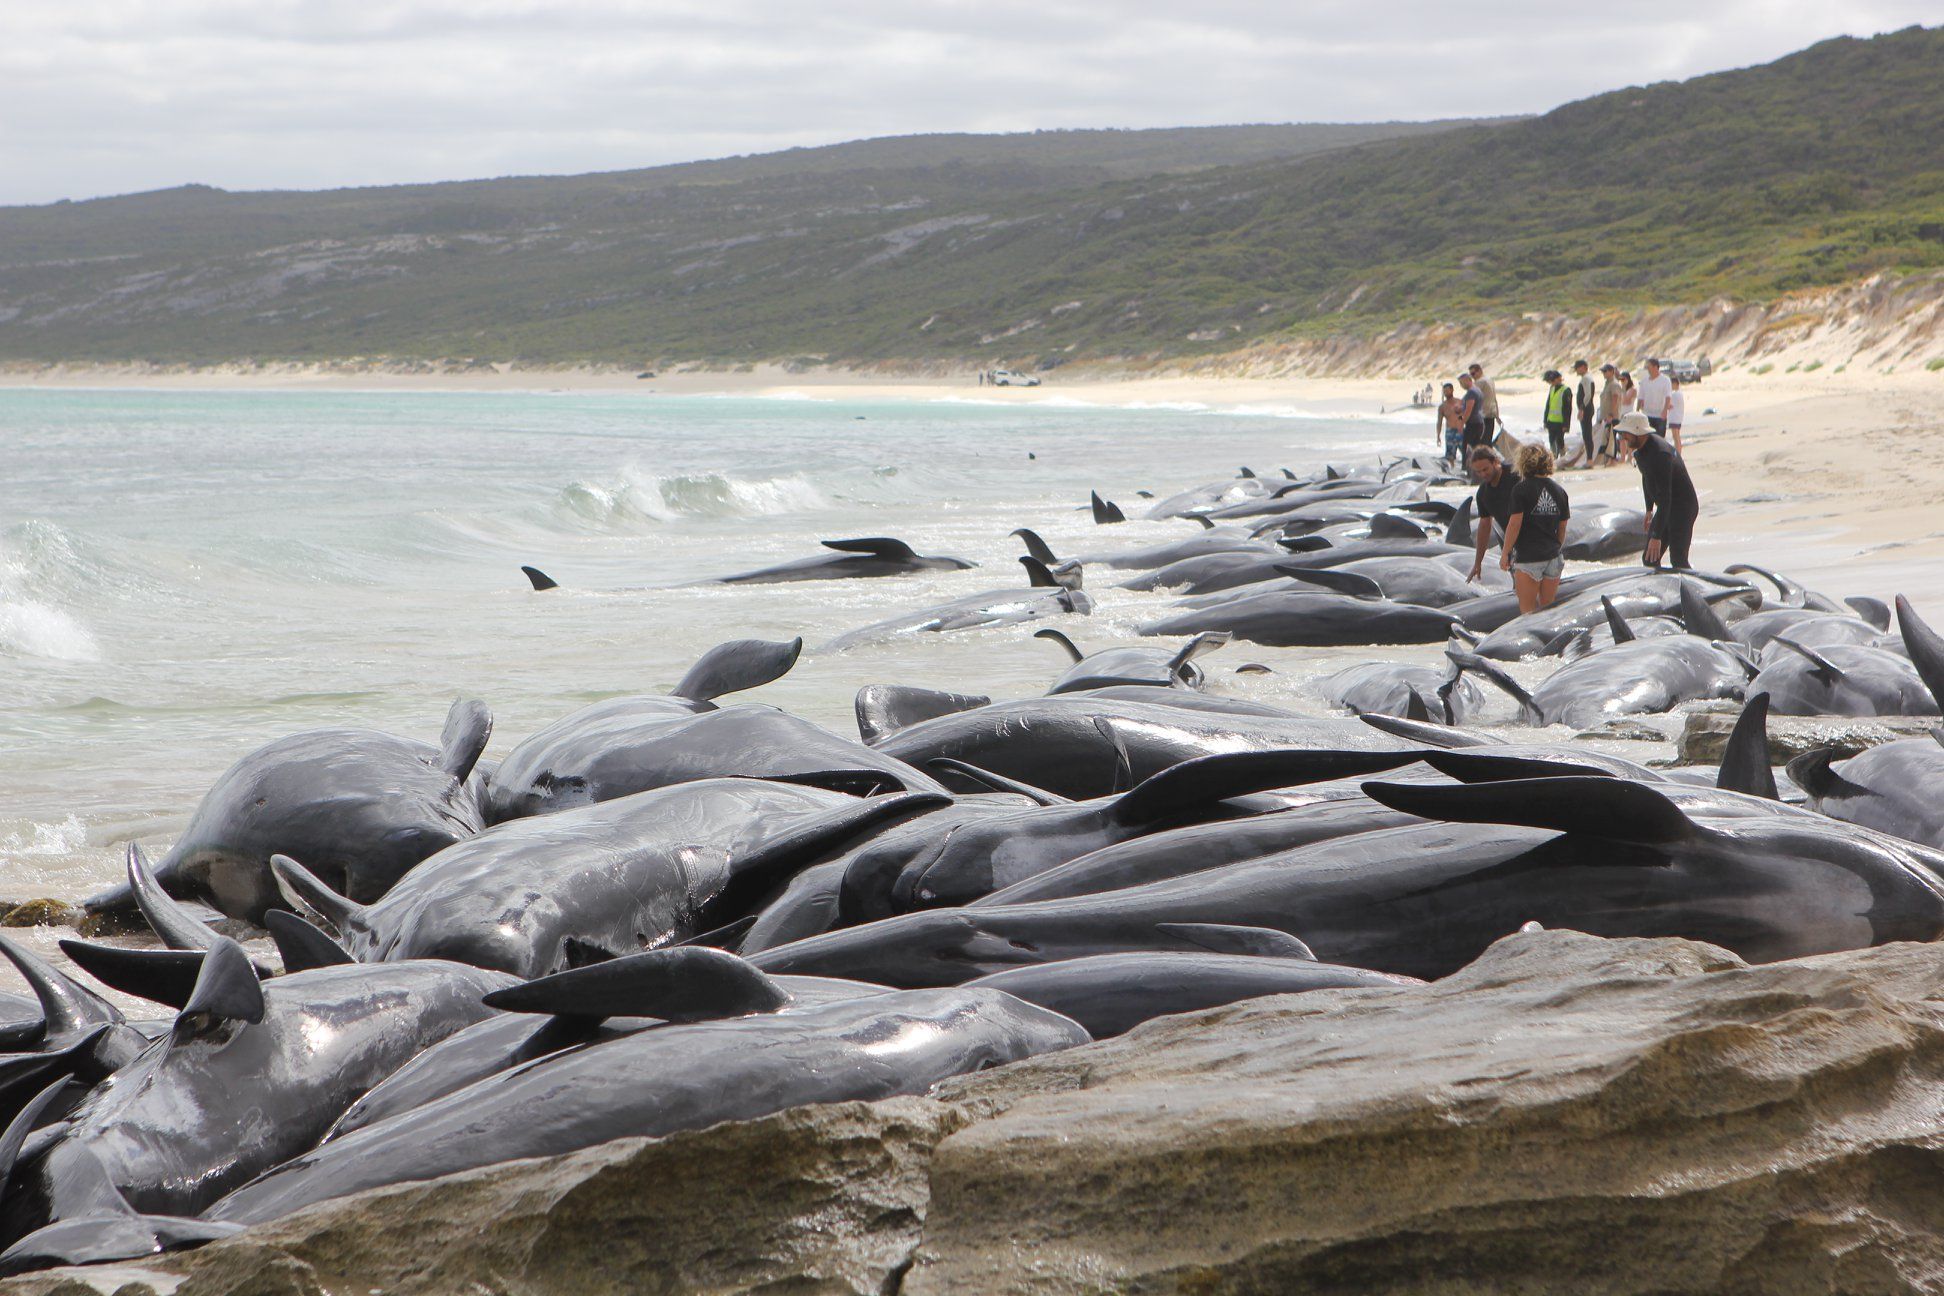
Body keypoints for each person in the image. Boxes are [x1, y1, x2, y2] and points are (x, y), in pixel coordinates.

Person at [1615, 410, 1699, 569]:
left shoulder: (1661, 455)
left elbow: (1666, 497)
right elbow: (1646, 478)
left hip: (1682, 508)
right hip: (1666, 507)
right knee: (1649, 559)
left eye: (1626, 434)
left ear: (1637, 432)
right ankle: (1663, 591)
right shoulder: (1640, 452)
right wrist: (1649, 509)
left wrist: (1656, 536)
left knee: (1678, 561)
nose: (1623, 438)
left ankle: (1693, 589)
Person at [1500, 442, 1571, 613]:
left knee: (1528, 612)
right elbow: (1562, 528)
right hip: (1553, 557)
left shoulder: (1521, 490)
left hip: (1529, 557)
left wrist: (1505, 553)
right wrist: (1555, 549)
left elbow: (1515, 523)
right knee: (1547, 610)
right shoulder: (1560, 491)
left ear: (1523, 463)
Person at [1465, 445, 1521, 583]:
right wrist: (1478, 562)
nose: (1483, 474)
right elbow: (1484, 526)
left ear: (1496, 462)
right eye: (1478, 472)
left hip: (1535, 538)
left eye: (1485, 469)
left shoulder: (1516, 476)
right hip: (1512, 545)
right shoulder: (1483, 493)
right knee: (1519, 587)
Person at [1636, 357, 1673, 435]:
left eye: (1649, 367)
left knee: (1659, 439)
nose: (1648, 369)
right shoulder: (1644, 381)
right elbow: (1640, 397)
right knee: (1648, 439)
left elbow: (1668, 396)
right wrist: (1637, 411)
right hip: (1647, 414)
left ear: (1655, 367)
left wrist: (1665, 411)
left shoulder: (1665, 380)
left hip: (1660, 415)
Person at [1540, 369, 1572, 458]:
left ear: (1559, 379)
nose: (1551, 383)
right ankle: (1553, 458)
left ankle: (1562, 458)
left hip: (1560, 422)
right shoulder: (1552, 389)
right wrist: (1545, 420)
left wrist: (1566, 425)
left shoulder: (1566, 390)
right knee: (1551, 440)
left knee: (1560, 441)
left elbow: (1568, 409)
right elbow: (1548, 405)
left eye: (1552, 381)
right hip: (1551, 421)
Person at [1597, 362, 1623, 464]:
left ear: (1612, 372)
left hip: (1613, 416)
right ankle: (1608, 459)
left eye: (1605, 371)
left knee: (1612, 437)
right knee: (1608, 437)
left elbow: (1615, 399)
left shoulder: (1614, 384)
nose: (1603, 373)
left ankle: (1613, 459)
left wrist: (1611, 414)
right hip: (1606, 416)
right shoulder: (1607, 383)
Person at [1467, 363, 1500, 439]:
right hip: (1491, 414)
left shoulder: (1479, 382)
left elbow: (1470, 399)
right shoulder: (1490, 380)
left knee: (1480, 442)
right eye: (1470, 375)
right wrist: (1497, 415)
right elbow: (1494, 398)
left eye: (1473, 374)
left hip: (1482, 416)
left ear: (1480, 371)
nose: (1472, 377)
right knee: (1487, 440)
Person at [1573, 360, 1597, 466]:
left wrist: (1582, 409)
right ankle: (1589, 459)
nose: (1576, 370)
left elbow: (1588, 394)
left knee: (1587, 434)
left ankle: (1590, 460)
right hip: (1586, 408)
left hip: (1586, 409)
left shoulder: (1587, 378)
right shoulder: (1585, 378)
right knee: (1586, 434)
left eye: (1577, 367)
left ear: (1583, 367)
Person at [1436, 382, 1465, 466]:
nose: (1445, 393)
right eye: (1444, 391)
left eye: (1447, 391)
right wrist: (1438, 435)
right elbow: (1439, 422)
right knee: (1450, 455)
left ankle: (1467, 469)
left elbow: (1466, 415)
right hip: (1450, 431)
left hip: (1460, 430)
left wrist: (1461, 421)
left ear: (1452, 390)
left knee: (1466, 452)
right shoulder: (1442, 406)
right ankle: (1452, 471)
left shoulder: (1460, 402)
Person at [1457, 372, 1486, 452]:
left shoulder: (1471, 392)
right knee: (1475, 448)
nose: (1461, 385)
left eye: (1461, 382)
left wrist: (1461, 422)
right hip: (1479, 422)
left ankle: (1467, 464)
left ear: (1468, 380)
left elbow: (1468, 411)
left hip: (1473, 424)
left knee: (1467, 449)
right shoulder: (1477, 390)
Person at [1666, 375, 1686, 454]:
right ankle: (1678, 452)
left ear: (1675, 384)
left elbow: (1668, 405)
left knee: (1675, 436)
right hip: (1678, 417)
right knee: (1677, 436)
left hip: (1674, 417)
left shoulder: (1674, 394)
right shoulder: (1679, 394)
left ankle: (1678, 453)